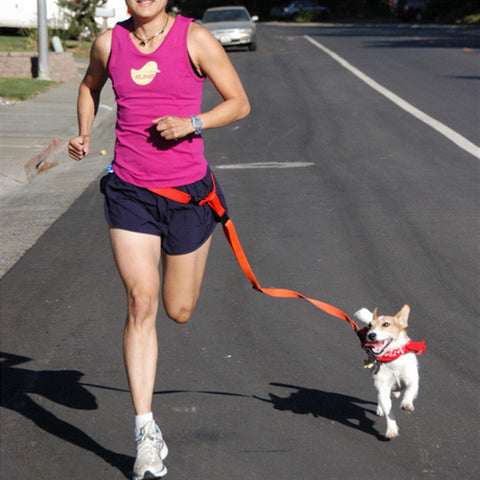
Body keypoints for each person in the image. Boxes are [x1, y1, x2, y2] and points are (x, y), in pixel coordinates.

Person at [68, 1, 250, 478]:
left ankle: (149, 427)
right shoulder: (109, 43)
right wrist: (85, 133)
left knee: (178, 309)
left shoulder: (195, 38)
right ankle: (145, 431)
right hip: (129, 190)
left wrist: (194, 123)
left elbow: (239, 102)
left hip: (188, 194)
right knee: (140, 301)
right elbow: (88, 87)